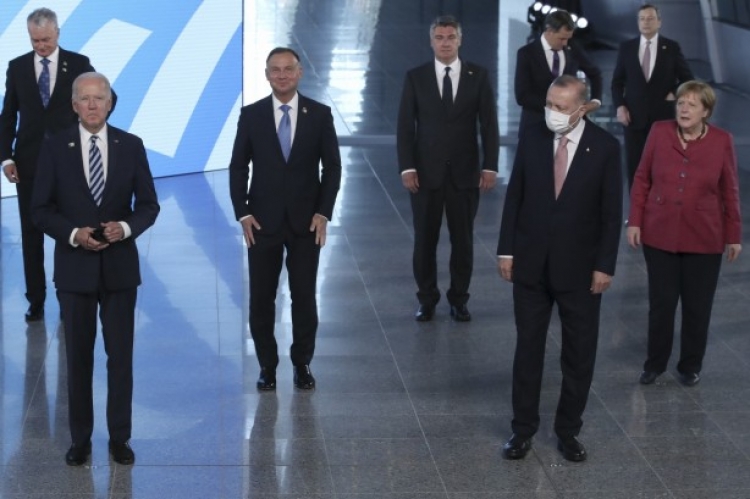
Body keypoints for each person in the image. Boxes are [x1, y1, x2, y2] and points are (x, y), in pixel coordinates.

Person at [31, 72, 159, 466]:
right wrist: (74, 234)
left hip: (120, 270)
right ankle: (80, 440)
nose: (91, 105)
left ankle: (120, 437)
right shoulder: (54, 147)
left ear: (109, 103)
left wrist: (125, 228)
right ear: (74, 105)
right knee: (78, 359)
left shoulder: (131, 145)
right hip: (75, 271)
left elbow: (148, 205)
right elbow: (40, 210)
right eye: (84, 99)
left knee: (120, 358)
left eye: (98, 98)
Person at [497, 75, 622, 462]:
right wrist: (506, 251)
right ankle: (522, 430)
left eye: (561, 107)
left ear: (581, 109)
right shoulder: (533, 136)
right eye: (549, 104)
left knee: (578, 355)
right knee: (527, 350)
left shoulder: (605, 147)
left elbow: (611, 213)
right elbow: (515, 195)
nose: (552, 112)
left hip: (581, 271)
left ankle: (568, 431)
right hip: (531, 265)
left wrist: (604, 265)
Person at [229, 47, 341, 391]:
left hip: (307, 223)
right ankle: (267, 365)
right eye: (275, 70)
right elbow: (238, 166)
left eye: (288, 69)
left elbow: (332, 167)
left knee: (303, 296)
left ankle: (302, 363)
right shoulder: (251, 115)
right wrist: (243, 212)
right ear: (266, 75)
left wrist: (323, 212)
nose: (282, 75)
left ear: (299, 72)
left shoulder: (319, 114)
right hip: (262, 223)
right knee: (262, 298)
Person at [1, 8, 116, 322]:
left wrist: (91, 131)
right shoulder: (17, 67)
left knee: (71, 231)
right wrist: (6, 157)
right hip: (28, 165)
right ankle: (36, 300)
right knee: (31, 234)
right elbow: (8, 116)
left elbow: (108, 98)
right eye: (35, 40)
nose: (41, 46)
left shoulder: (78, 65)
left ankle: (71, 297)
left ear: (58, 34)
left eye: (46, 40)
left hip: (70, 163)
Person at [627, 80, 742, 387]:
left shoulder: (722, 141)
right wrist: (635, 220)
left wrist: (733, 235)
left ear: (706, 111)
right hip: (659, 232)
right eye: (680, 103)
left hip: (704, 236)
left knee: (697, 307)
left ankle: (690, 365)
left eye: (692, 104)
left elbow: (729, 191)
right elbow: (642, 178)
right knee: (661, 304)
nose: (684, 109)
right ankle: (655, 363)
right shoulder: (659, 131)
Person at [397, 15, 499, 323]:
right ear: (431, 41)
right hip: (425, 174)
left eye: (450, 37)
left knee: (463, 241)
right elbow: (405, 127)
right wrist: (407, 167)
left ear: (460, 40)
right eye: (439, 37)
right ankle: (426, 299)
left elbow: (489, 125)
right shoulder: (416, 77)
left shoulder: (478, 76)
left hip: (465, 174)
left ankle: (459, 299)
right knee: (424, 241)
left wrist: (490, 166)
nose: (445, 43)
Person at [612, 4, 693, 192]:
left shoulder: (671, 48)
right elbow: (617, 83)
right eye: (642, 19)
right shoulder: (627, 48)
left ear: (659, 22)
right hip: (633, 118)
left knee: (663, 165)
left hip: (663, 117)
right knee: (635, 166)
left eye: (650, 19)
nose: (645, 23)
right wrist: (620, 107)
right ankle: (636, 207)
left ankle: (661, 204)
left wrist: (674, 92)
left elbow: (688, 79)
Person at [515, 9, 602, 135]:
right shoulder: (526, 53)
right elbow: (522, 96)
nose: (565, 43)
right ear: (549, 30)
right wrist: (557, 107)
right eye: (561, 38)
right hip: (536, 126)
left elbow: (595, 74)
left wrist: (595, 101)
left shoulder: (573, 49)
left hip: (570, 127)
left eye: (568, 38)